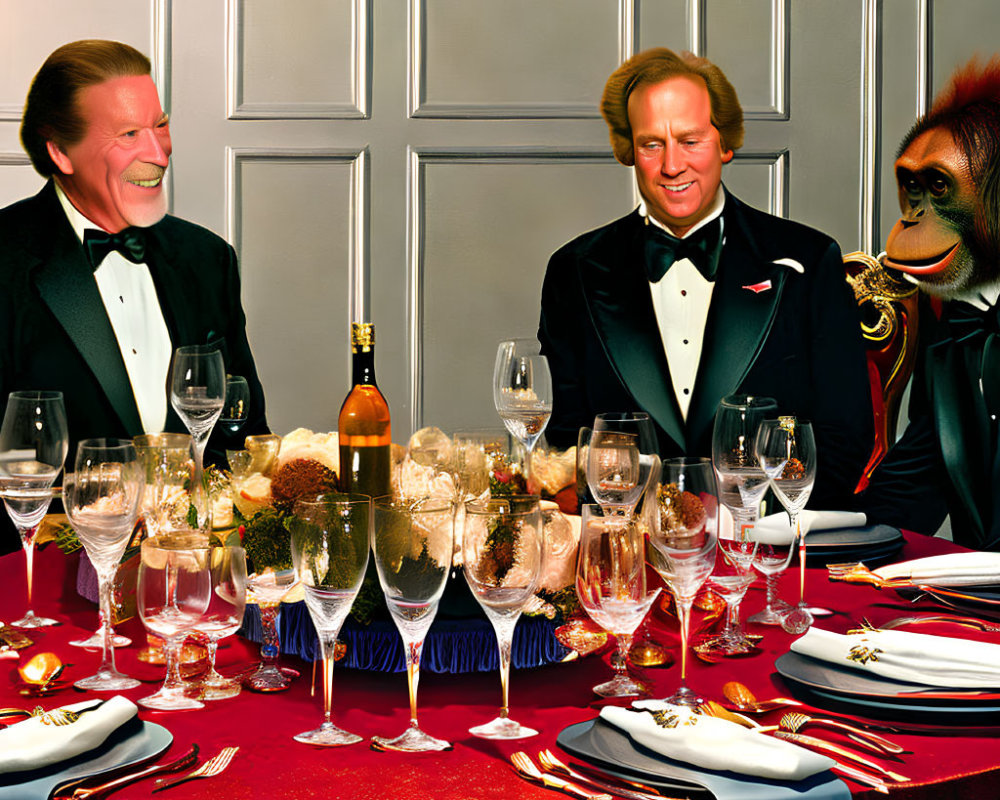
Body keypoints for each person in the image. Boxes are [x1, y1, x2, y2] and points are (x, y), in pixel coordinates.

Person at [538, 47, 872, 509]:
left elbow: (843, 438)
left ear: (725, 143)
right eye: (652, 143)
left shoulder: (807, 262)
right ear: (628, 151)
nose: (672, 165)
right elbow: (564, 443)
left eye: (690, 140)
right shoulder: (572, 270)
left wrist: (743, 520)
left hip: (762, 549)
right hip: (630, 558)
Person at [0, 40, 268, 549]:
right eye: (129, 134)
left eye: (160, 125)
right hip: (42, 595)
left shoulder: (207, 259)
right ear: (60, 151)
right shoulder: (6, 262)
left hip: (193, 590)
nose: (158, 152)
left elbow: (244, 436)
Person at [858, 57, 1000, 550]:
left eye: (938, 186)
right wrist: (811, 548)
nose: (913, 219)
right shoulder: (959, 315)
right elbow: (922, 469)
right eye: (912, 189)